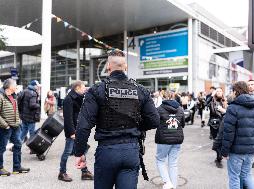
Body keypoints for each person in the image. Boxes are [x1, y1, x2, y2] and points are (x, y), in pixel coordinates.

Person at [74, 50, 160, 188]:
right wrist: (137, 125)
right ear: (125, 67)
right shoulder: (140, 90)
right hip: (131, 152)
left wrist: (79, 152)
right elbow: (154, 120)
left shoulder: (97, 90)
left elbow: (83, 125)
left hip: (107, 151)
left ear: (108, 66)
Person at [221, 81, 254, 189]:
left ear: (236, 91)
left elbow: (228, 132)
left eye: (233, 91)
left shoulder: (232, 108)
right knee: (247, 176)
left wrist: (224, 151)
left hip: (236, 150)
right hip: (251, 150)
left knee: (234, 177)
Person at [58, 81, 93, 182]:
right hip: (73, 131)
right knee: (67, 152)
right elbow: (68, 118)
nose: (85, 89)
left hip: (80, 129)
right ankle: (62, 172)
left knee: (81, 150)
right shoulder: (69, 99)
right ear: (77, 88)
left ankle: (85, 172)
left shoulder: (80, 98)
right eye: (83, 87)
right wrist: (72, 132)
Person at [155, 91, 185, 189]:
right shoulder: (180, 109)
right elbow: (183, 124)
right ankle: (173, 186)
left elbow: (154, 122)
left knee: (160, 160)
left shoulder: (159, 109)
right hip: (177, 139)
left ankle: (167, 182)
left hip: (164, 139)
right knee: (173, 163)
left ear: (163, 97)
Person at [0, 79, 30, 176]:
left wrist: (19, 122)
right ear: (9, 86)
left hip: (16, 126)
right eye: (15, 84)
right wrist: (6, 125)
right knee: (1, 148)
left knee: (18, 144)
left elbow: (15, 110)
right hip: (5, 127)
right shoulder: (1, 96)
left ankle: (17, 167)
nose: (17, 85)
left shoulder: (14, 95)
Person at [206, 87, 227, 168]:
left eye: (220, 91)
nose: (219, 92)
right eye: (217, 91)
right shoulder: (212, 100)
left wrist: (223, 110)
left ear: (222, 92)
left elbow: (228, 111)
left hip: (224, 122)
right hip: (214, 123)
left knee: (221, 139)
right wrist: (211, 96)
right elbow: (206, 104)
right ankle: (219, 154)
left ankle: (219, 154)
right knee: (216, 139)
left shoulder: (225, 101)